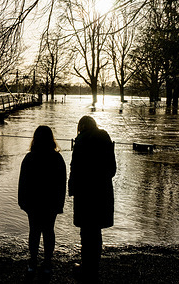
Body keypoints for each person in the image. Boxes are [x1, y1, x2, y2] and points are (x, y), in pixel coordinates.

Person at [68, 116, 117, 282]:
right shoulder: (105, 138)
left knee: (86, 231)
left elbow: (75, 169)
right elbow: (112, 169)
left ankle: (85, 267)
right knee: (96, 231)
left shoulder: (81, 142)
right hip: (102, 192)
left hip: (85, 193)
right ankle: (94, 267)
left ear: (81, 126)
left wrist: (72, 189)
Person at [18, 126, 66, 277]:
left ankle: (33, 261)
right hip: (51, 201)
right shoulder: (57, 158)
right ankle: (47, 262)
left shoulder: (29, 158)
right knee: (49, 231)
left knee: (34, 231)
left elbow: (22, 181)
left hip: (33, 201)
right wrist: (60, 203)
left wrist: (22, 201)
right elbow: (62, 182)